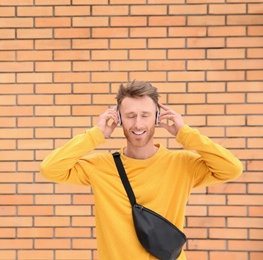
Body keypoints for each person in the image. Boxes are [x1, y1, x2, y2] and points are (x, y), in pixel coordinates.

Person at [39, 80, 243, 260]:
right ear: (118, 119)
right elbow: (51, 169)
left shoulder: (182, 164)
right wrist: (96, 134)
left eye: (145, 115)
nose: (138, 124)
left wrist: (185, 134)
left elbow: (231, 169)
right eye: (130, 116)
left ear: (157, 117)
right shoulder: (100, 166)